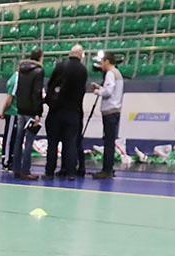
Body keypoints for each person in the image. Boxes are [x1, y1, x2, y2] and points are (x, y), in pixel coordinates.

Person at [43, 45, 88, 181]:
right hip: (73, 111)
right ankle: (70, 172)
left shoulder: (60, 66)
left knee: (52, 143)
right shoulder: (83, 70)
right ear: (81, 55)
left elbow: (50, 86)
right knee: (70, 143)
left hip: (56, 111)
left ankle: (49, 171)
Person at [12, 48, 45, 181]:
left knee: (18, 140)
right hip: (31, 110)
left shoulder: (22, 70)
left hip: (21, 108)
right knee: (29, 141)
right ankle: (26, 170)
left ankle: (16, 169)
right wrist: (37, 112)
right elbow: (36, 92)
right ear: (40, 58)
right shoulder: (39, 71)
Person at [90, 52, 125, 179]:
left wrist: (98, 91)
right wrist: (100, 86)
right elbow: (112, 89)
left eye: (102, 62)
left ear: (107, 61)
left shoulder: (111, 73)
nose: (101, 65)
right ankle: (108, 168)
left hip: (110, 110)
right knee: (110, 140)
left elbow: (109, 92)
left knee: (108, 142)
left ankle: (107, 170)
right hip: (115, 110)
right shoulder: (117, 73)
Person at [0, 69, 19, 171]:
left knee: (13, 137)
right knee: (9, 137)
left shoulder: (16, 79)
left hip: (15, 112)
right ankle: (6, 160)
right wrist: (3, 111)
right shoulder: (15, 80)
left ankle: (10, 158)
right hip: (12, 112)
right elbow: (9, 98)